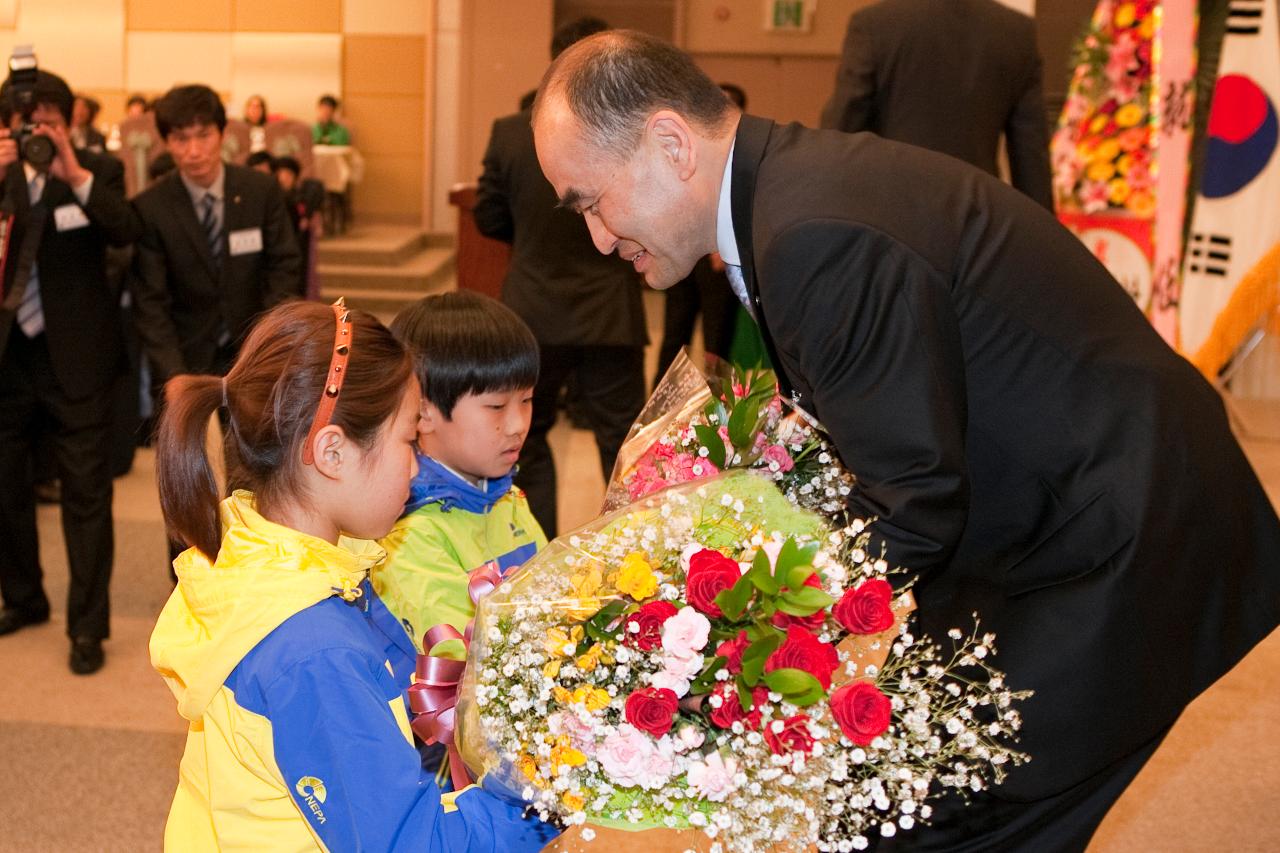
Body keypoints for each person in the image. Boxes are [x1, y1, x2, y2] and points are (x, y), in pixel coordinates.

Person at [531, 31, 1280, 851]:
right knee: (897, 796)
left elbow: (912, 500)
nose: (598, 239)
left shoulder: (813, 231)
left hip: (1117, 539)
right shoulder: (792, 193)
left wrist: (724, 640)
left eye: (590, 202)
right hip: (1045, 512)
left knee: (924, 817)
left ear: (671, 143)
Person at [150, 299, 557, 851]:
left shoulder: (263, 554)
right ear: (333, 452)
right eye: (409, 441)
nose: (417, 468)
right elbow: (413, 843)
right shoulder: (315, 650)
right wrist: (545, 789)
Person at [474, 15, 647, 538]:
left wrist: (530, 237)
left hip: (535, 310)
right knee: (625, 441)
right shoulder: (629, 132)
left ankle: (537, 547)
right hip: (609, 311)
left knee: (525, 437)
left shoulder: (511, 132)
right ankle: (635, 550)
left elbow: (487, 214)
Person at [0, 69, 141, 674]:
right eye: (24, 123)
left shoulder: (97, 171)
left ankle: (87, 627)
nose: (37, 133)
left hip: (77, 359)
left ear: (69, 122)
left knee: (86, 496)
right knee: (6, 488)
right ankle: (24, 598)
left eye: (49, 123)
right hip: (10, 357)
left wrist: (74, 176)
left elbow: (124, 230)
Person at [374, 291, 544, 653]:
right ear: (423, 412)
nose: (517, 425)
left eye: (526, 400)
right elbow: (465, 659)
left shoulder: (503, 496)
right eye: (496, 406)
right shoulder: (409, 535)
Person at [131, 84, 300, 397]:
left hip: (258, 353)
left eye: (204, 135)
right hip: (186, 360)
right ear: (167, 142)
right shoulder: (150, 208)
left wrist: (265, 347)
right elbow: (150, 302)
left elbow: (284, 269)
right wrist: (174, 375)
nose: (194, 151)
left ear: (223, 134)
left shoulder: (260, 192)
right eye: (181, 139)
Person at [820, 0, 1053, 210]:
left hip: (891, 215)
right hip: (976, 216)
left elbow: (840, 130)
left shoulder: (875, 24)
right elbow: (1031, 157)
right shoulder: (1017, 32)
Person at [654, 82, 749, 383]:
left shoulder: (746, 154)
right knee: (674, 336)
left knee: (716, 340)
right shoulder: (683, 145)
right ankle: (661, 405)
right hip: (683, 255)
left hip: (719, 259)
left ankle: (718, 411)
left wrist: (726, 244)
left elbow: (743, 205)